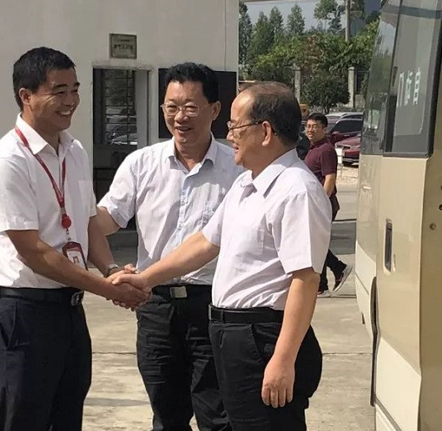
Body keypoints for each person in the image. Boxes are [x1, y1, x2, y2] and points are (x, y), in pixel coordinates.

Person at [113, 82, 332, 431]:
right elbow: (204, 243)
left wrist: (283, 359)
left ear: (265, 132)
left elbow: (305, 279)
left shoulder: (296, 191)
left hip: (263, 337)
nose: (229, 136)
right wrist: (145, 279)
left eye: (235, 126)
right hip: (232, 335)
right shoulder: (247, 184)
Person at [0, 47, 148, 431]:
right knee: (25, 418)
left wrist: (112, 270)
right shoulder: (7, 162)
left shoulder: (74, 150)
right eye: (59, 91)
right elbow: (34, 251)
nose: (71, 101)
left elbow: (88, 224)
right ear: (26, 95)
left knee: (67, 415)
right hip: (26, 312)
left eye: (75, 89)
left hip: (69, 310)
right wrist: (106, 288)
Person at [96, 62, 242, 431]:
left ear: (215, 109)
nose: (180, 117)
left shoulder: (238, 169)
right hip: (155, 307)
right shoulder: (141, 164)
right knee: (166, 416)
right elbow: (108, 219)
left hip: (213, 305)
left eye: (191, 107)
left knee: (217, 416)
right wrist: (66, 217)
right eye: (171, 107)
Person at [304, 113, 352, 296]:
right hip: (315, 203)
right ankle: (326, 281)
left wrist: (322, 204)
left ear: (324, 129)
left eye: (315, 126)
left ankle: (335, 271)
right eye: (308, 126)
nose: (310, 130)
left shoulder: (326, 150)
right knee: (316, 242)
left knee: (316, 242)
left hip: (323, 204)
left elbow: (330, 178)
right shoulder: (314, 148)